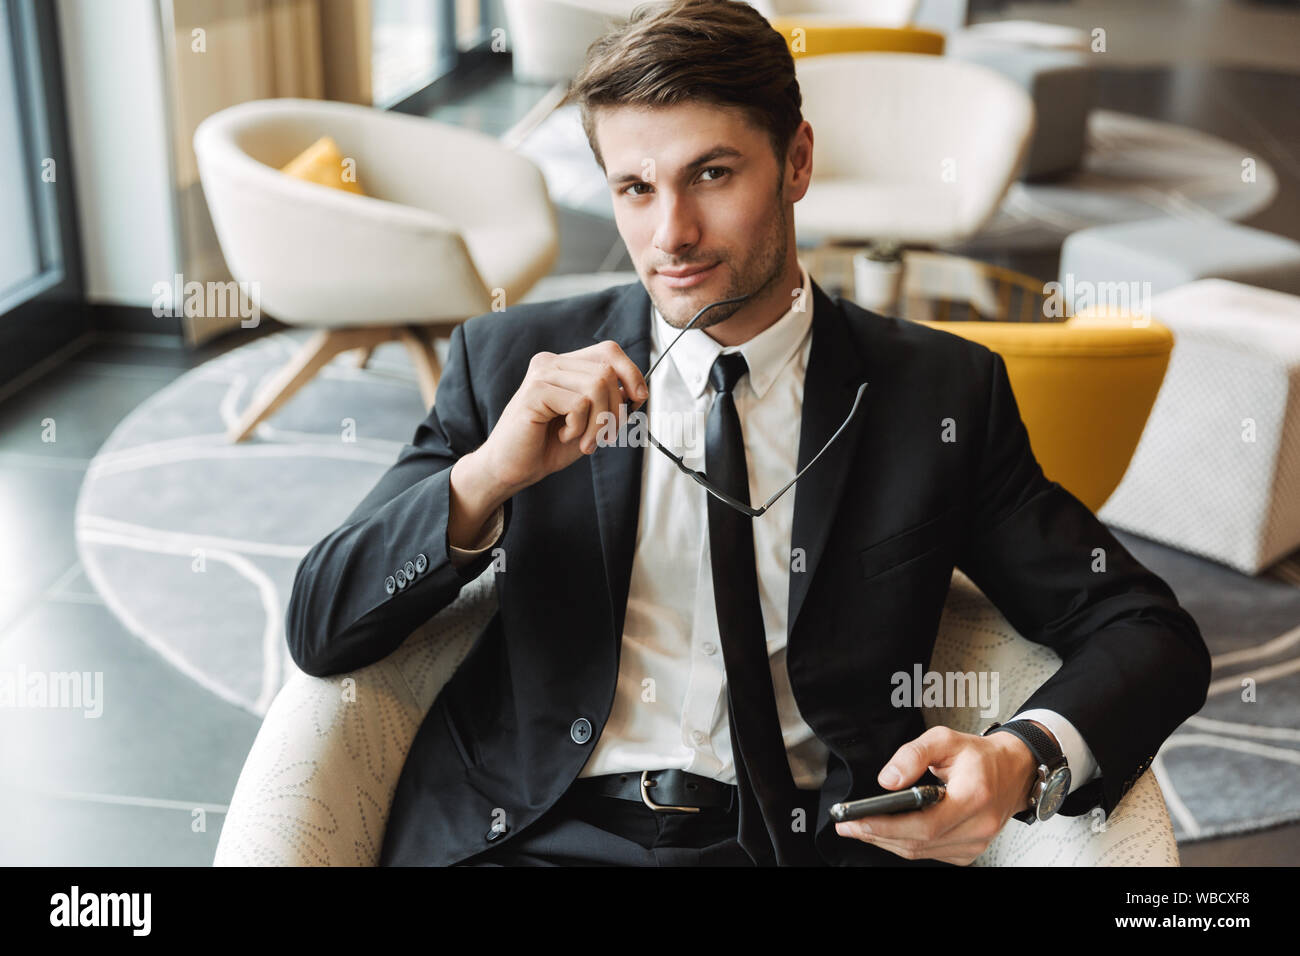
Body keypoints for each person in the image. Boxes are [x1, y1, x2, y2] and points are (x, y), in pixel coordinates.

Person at [284, 0, 1210, 867]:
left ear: (797, 161)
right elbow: (323, 626)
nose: (671, 235)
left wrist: (1021, 756)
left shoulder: (939, 393)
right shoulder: (511, 364)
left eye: (711, 175)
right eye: (635, 188)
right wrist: (483, 480)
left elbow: (1144, 629)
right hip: (531, 833)